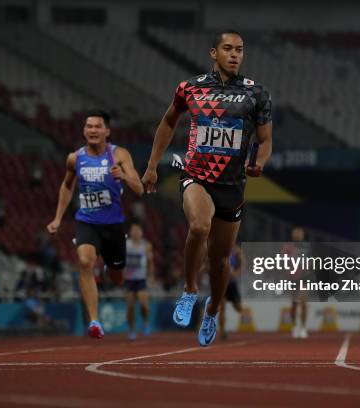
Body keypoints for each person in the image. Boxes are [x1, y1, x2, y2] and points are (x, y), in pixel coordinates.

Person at [142, 30, 272, 346]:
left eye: (239, 50)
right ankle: (189, 291)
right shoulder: (190, 88)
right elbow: (168, 122)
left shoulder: (257, 94)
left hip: (233, 185)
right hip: (196, 176)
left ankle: (212, 310)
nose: (234, 55)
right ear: (213, 53)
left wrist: (260, 163)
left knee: (219, 260)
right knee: (199, 226)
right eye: (227, 49)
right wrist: (151, 165)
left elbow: (265, 140)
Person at [47, 110, 143, 339]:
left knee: (118, 279)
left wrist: (124, 176)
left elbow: (139, 189)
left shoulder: (119, 155)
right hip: (87, 222)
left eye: (97, 126)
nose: (92, 130)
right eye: (89, 126)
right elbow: (67, 186)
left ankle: (111, 265)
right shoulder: (75, 158)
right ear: (84, 130)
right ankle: (94, 321)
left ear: (107, 131)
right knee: (84, 261)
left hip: (114, 226)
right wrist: (58, 217)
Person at [124, 222, 154, 340]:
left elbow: (150, 262)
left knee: (144, 305)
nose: (136, 233)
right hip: (129, 280)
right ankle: (131, 329)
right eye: (134, 230)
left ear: (141, 233)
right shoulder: (126, 244)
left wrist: (151, 276)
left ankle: (146, 323)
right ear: (130, 233)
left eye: (138, 230)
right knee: (130, 307)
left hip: (141, 279)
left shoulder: (146, 245)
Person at [218, 243, 244, 340]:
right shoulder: (217, 248)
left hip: (231, 283)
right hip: (221, 283)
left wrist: (236, 273)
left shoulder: (236, 250)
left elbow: (242, 264)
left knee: (238, 308)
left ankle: (244, 317)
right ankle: (222, 331)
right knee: (222, 307)